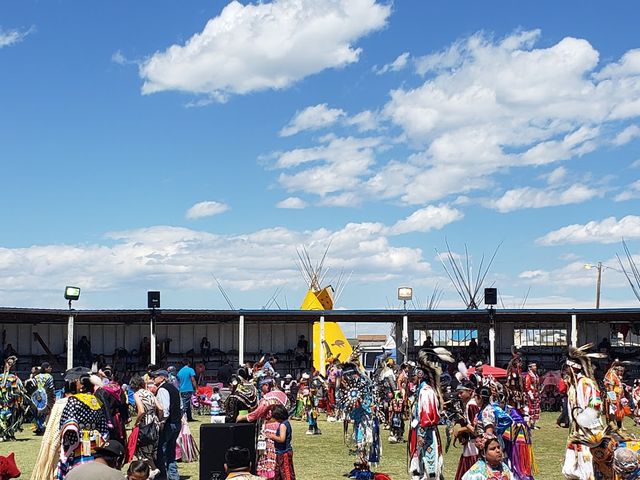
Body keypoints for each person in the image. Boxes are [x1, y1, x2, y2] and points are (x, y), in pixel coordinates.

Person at [56, 367, 110, 479]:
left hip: (79, 440)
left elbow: (68, 421)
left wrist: (68, 441)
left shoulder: (74, 400)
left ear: (82, 387)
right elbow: (103, 425)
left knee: (78, 468)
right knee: (93, 465)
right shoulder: (97, 401)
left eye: (78, 383)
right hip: (95, 440)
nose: (76, 384)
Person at [407, 347, 453, 480]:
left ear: (420, 375)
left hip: (426, 434)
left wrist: (421, 435)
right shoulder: (421, 390)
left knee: (428, 465)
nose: (411, 379)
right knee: (421, 465)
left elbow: (427, 417)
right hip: (422, 432)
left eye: (413, 376)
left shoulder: (426, 391)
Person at [562, 344, 605, 480]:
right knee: (571, 467)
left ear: (573, 368)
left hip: (588, 431)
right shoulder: (574, 385)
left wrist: (582, 421)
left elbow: (596, 405)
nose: (565, 371)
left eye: (567, 368)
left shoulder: (586, 383)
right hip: (577, 431)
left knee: (587, 462)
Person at [130, 375, 162, 478]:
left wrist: (136, 423)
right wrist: (159, 419)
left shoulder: (136, 394)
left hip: (145, 425)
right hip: (154, 424)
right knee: (150, 450)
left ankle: (151, 471)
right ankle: (151, 471)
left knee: (141, 450)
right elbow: (160, 408)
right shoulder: (150, 393)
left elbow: (141, 411)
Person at [153, 369, 182, 480]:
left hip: (168, 424)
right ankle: (174, 476)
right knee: (171, 451)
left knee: (161, 451)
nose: (153, 379)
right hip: (176, 422)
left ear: (162, 378)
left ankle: (162, 476)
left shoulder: (162, 389)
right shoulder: (174, 388)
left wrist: (161, 422)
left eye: (155, 376)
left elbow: (164, 409)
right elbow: (181, 407)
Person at [454, 381, 479, 480]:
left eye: (461, 393)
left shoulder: (471, 405)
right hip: (471, 442)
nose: (459, 395)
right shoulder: (470, 404)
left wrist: (460, 430)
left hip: (474, 443)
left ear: (470, 391)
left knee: (470, 467)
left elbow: (475, 427)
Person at [267, 405, 296, 480]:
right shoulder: (286, 423)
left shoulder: (283, 425)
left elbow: (282, 439)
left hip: (284, 452)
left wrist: (272, 437)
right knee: (279, 472)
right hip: (280, 452)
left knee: (286, 473)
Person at [0, 355, 25, 441]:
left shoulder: (15, 378)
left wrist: (19, 395)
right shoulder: (1, 377)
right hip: (2, 401)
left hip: (12, 402)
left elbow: (21, 389)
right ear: (5, 364)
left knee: (12, 417)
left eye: (12, 364)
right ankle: (2, 434)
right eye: (9, 363)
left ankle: (10, 434)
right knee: (2, 417)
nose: (10, 365)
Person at [524, 362, 541, 429]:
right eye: (534, 366)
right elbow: (527, 386)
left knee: (536, 409)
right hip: (531, 395)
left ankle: (533, 424)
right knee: (531, 409)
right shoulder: (529, 375)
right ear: (530, 368)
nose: (535, 367)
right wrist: (530, 394)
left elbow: (537, 385)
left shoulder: (536, 375)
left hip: (536, 394)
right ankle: (529, 424)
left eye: (535, 366)